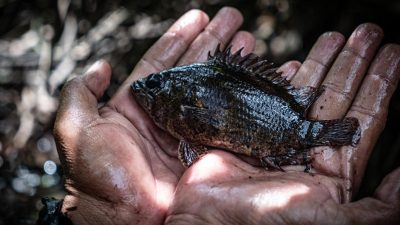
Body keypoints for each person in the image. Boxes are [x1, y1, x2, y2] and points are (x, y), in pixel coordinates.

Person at [52, 7, 400, 225]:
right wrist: (95, 210)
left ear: (175, 99)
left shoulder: (184, 95)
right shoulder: (183, 93)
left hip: (281, 122)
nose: (144, 90)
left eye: (156, 86)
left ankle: (317, 131)